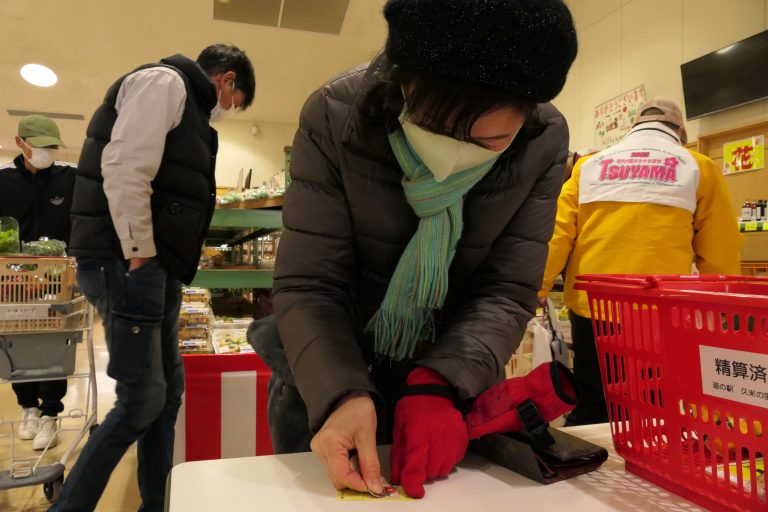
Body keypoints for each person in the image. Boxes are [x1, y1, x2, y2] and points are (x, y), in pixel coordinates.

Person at [248, 0, 578, 499]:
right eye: (434, 130)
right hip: (324, 372)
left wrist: (437, 384)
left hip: (445, 382)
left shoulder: (543, 142)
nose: (451, 160)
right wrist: (340, 392)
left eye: (489, 141)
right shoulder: (337, 114)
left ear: (525, 117)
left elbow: (506, 288)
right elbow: (311, 282)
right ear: (402, 86)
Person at [52, 44, 256, 512]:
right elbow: (124, 166)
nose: (229, 111)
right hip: (128, 262)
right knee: (141, 401)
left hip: (152, 267)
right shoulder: (164, 83)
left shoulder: (186, 106)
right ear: (225, 81)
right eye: (236, 100)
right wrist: (139, 249)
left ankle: (157, 504)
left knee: (167, 397)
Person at [539, 97, 743, 426]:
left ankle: (587, 465)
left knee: (593, 401)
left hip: (593, 306)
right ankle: (645, 461)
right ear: (680, 131)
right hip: (658, 311)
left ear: (634, 127)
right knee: (652, 404)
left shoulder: (588, 167)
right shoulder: (697, 166)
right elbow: (720, 246)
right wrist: (720, 311)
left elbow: (557, 235)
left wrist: (539, 286)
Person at [0, 115, 74, 450]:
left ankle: (51, 413)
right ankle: (28, 407)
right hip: (11, 282)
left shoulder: (68, 177)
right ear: (21, 142)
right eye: (39, 145)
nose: (46, 152)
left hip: (57, 280)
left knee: (55, 343)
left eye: (51, 146)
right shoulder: (3, 180)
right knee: (18, 342)